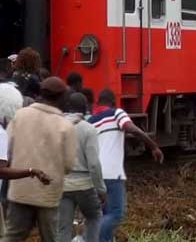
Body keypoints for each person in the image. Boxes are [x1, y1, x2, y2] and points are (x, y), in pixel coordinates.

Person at [3, 77, 76, 242]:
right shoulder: (65, 127)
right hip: (48, 194)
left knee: (12, 236)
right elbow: (69, 164)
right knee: (51, 238)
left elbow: (6, 150)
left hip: (19, 190)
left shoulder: (20, 115)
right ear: (61, 97)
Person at [88, 89, 164, 242]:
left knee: (104, 213)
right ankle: (87, 237)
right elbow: (131, 128)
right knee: (116, 214)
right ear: (113, 102)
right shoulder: (117, 113)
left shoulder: (91, 120)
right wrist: (154, 146)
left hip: (94, 174)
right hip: (112, 174)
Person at [58, 92, 106, 242]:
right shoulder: (88, 129)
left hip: (62, 185)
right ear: (85, 109)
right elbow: (93, 164)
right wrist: (101, 190)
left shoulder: (56, 127)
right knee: (94, 217)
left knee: (63, 227)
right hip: (85, 186)